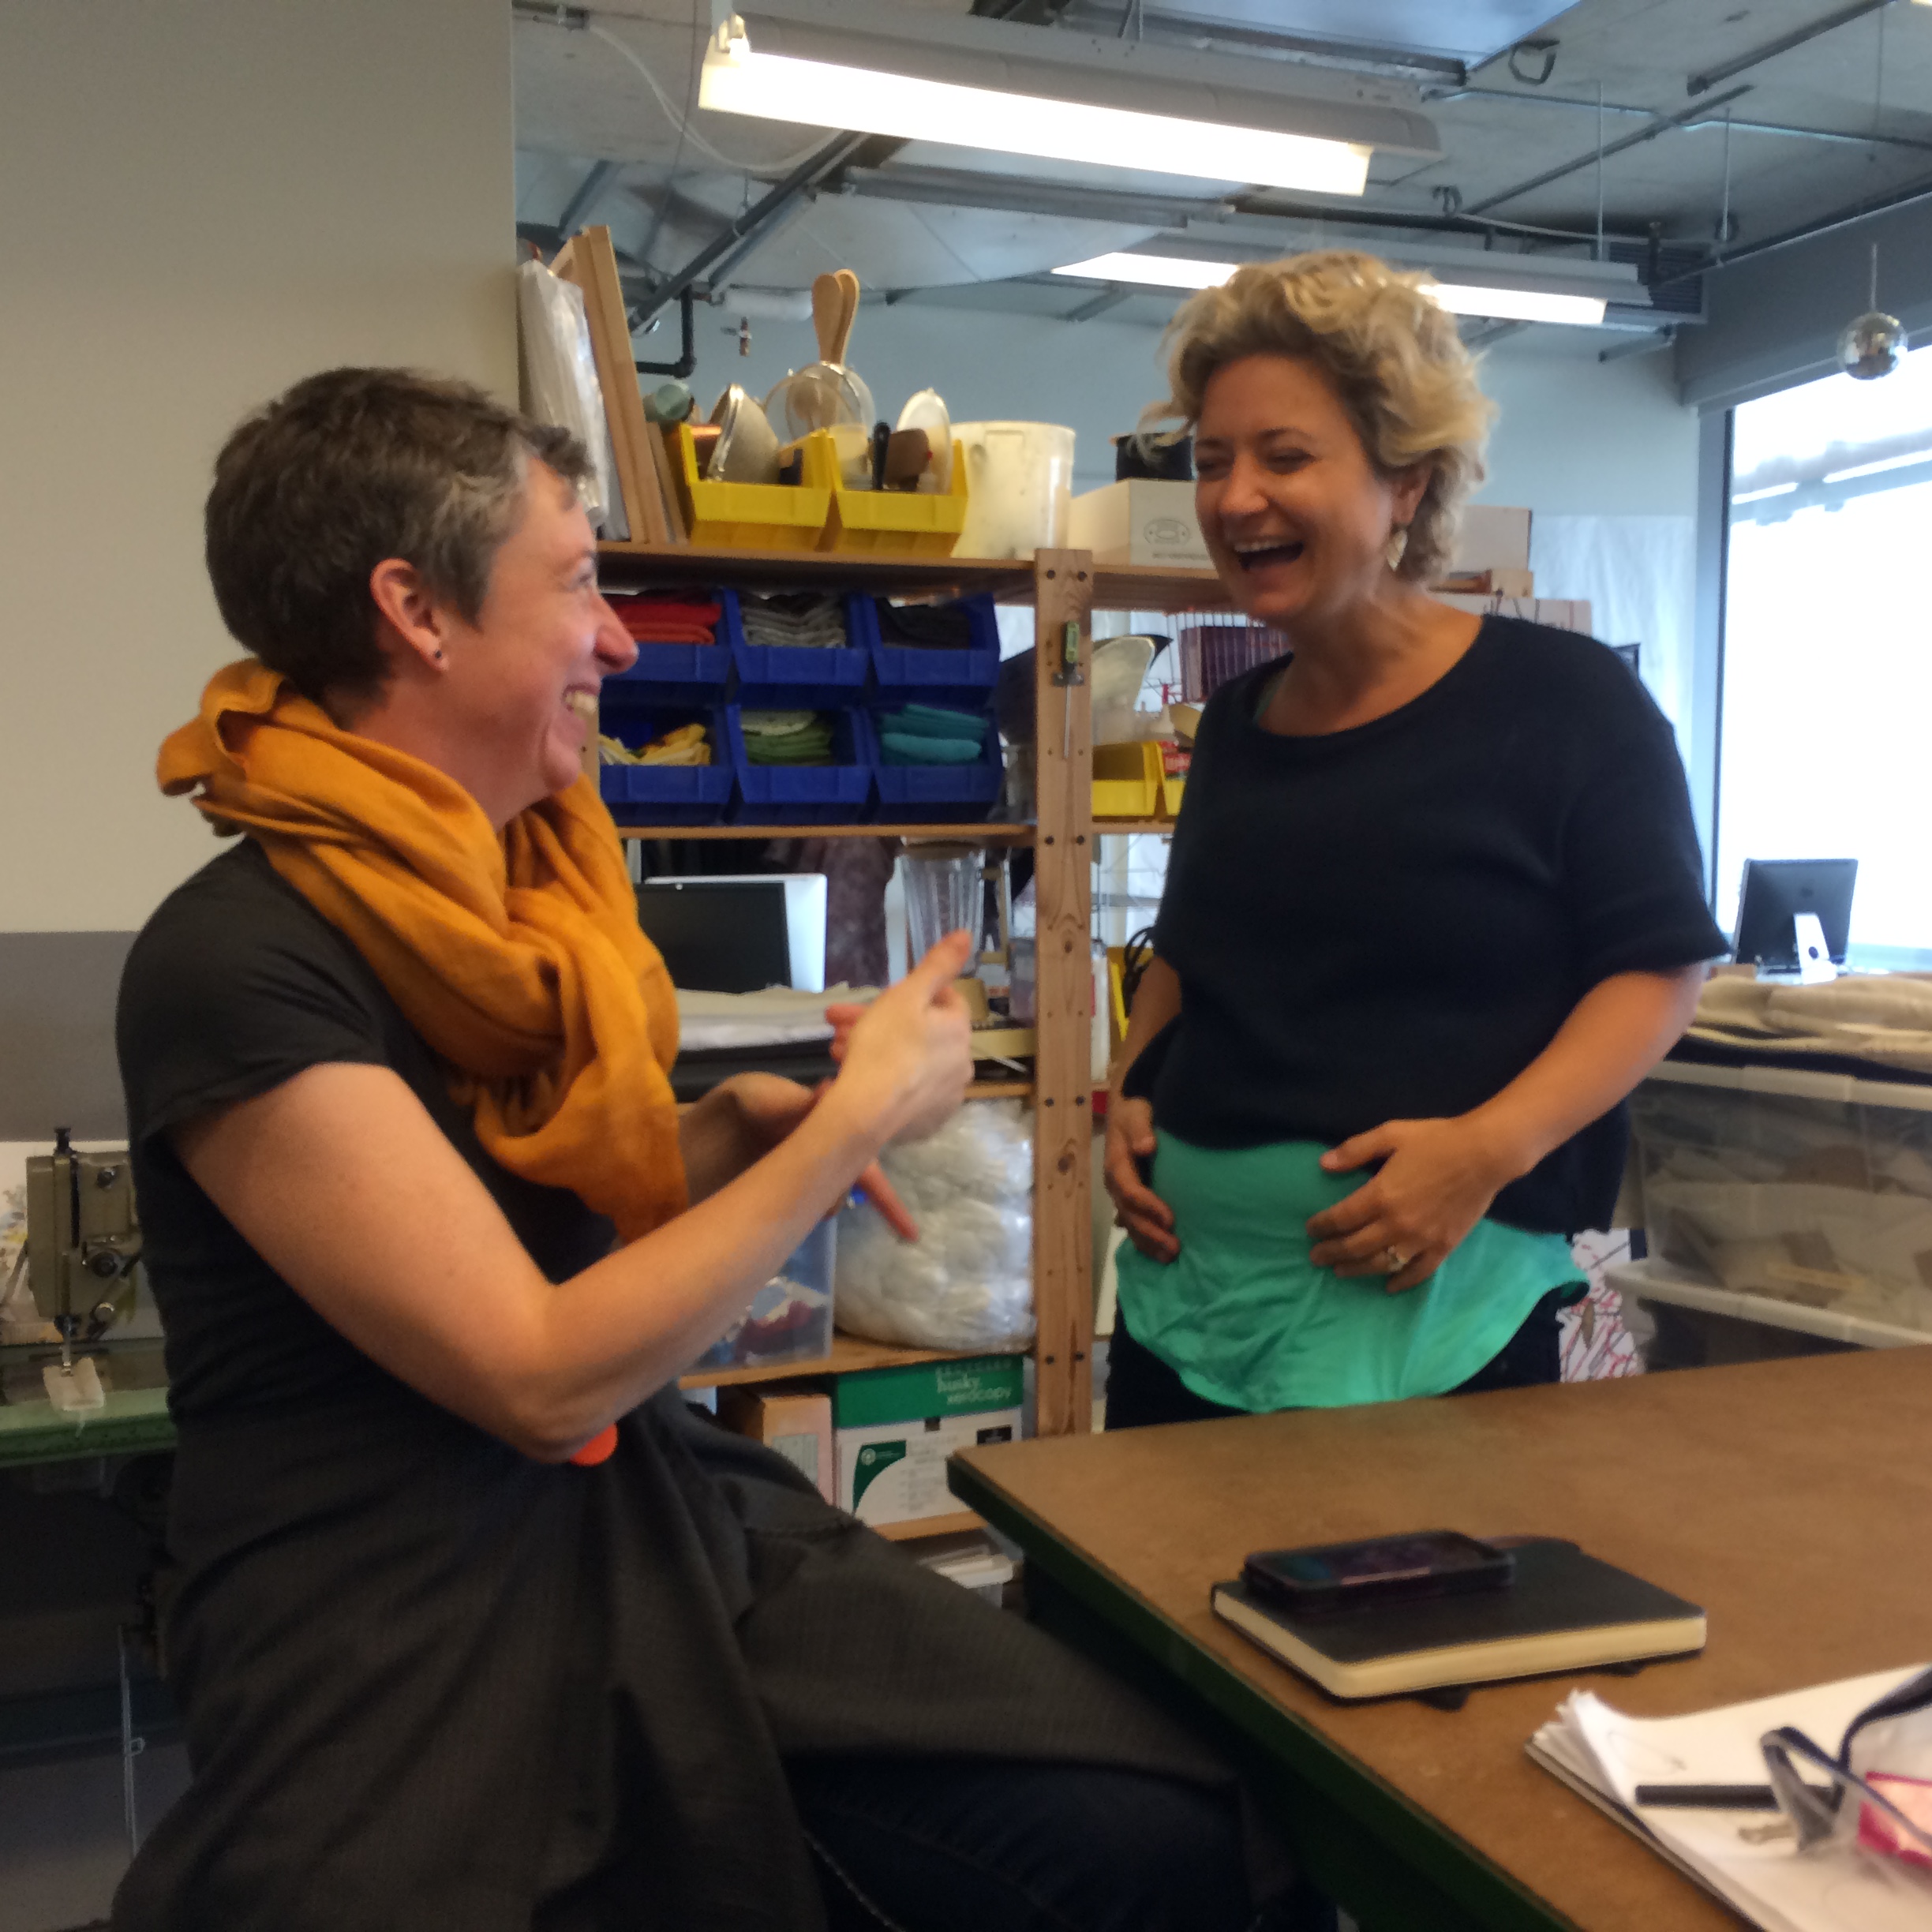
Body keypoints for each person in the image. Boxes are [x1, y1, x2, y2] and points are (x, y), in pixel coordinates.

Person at [113, 369, 1305, 1931]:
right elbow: (537, 1371)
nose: (616, 640)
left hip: (629, 1522)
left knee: (1168, 1832)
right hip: (397, 1603)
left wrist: (725, 1137)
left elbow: (503, 1215)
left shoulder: (527, 902)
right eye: (577, 583)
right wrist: (852, 1126)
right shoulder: (241, 964)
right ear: (416, 612)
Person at [1103, 253, 1727, 1431]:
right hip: (1186, 1311)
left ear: (1408, 482)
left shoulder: (1566, 702)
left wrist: (1487, 1150)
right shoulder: (1235, 722)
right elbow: (1187, 954)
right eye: (1213, 460)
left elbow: (1658, 971)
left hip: (1430, 1324)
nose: (1235, 498)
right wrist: (1132, 1089)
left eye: (1286, 456)